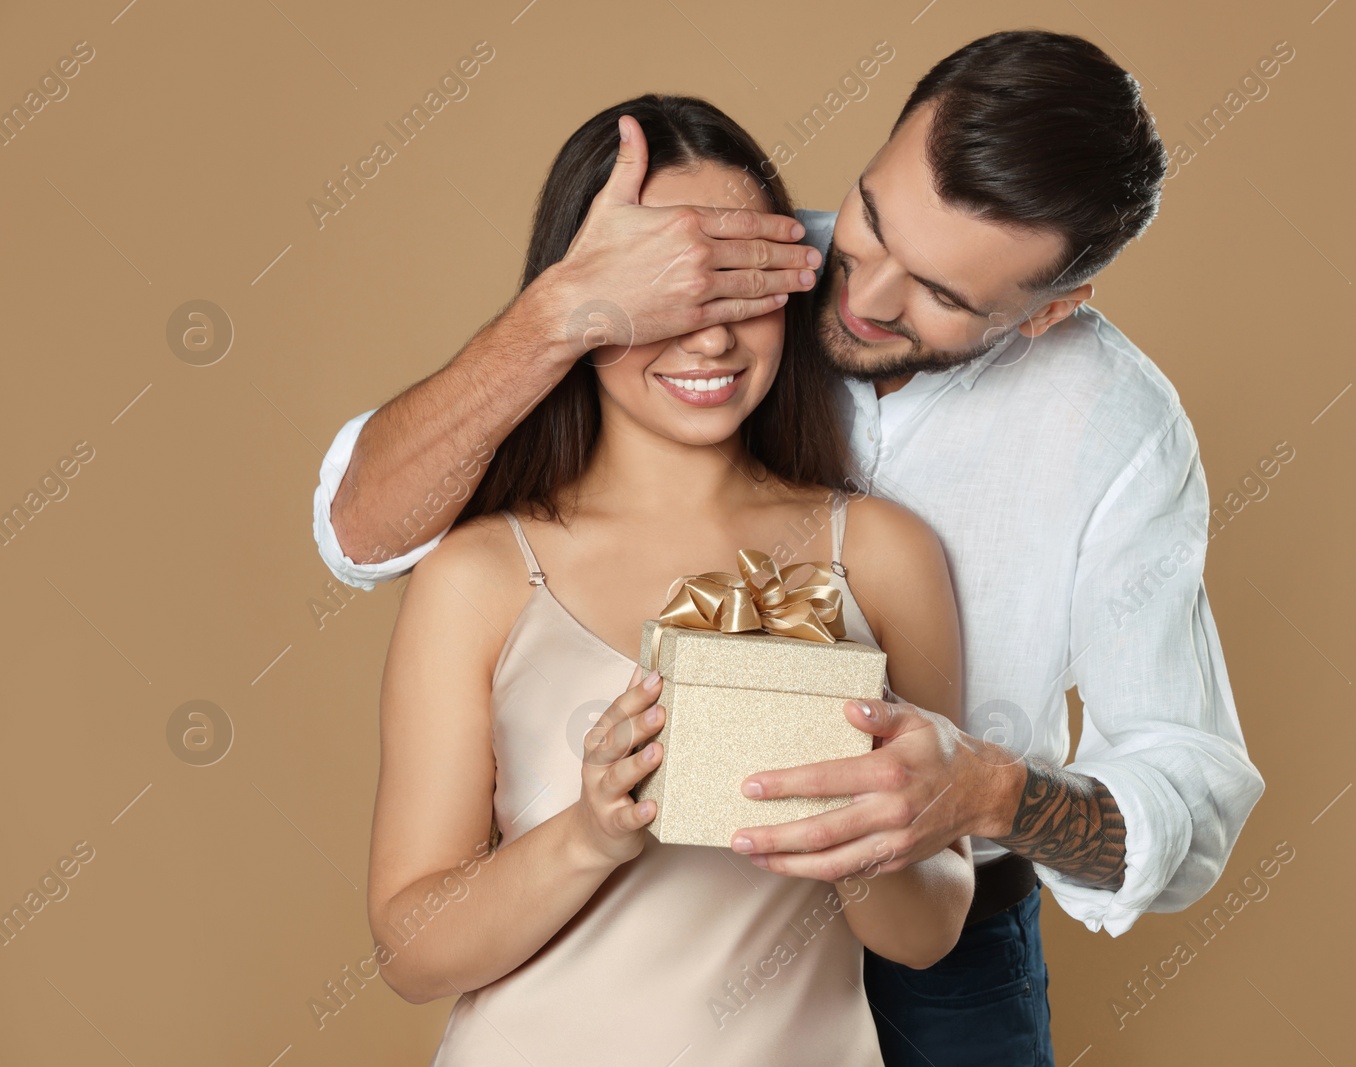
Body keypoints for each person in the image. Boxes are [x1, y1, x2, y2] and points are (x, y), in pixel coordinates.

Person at [322, 30, 1266, 1067]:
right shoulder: (738, 262)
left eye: (942, 295)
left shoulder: (1106, 436)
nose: (859, 297)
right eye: (869, 220)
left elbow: (1184, 778)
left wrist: (980, 791)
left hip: (932, 945)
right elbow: (367, 525)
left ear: (1047, 310)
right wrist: (566, 305)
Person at [365, 95, 975, 1066]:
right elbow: (409, 947)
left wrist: (849, 821)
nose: (711, 340)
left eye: (744, 289)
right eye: (669, 292)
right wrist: (593, 830)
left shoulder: (884, 552)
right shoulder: (481, 570)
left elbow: (931, 921)